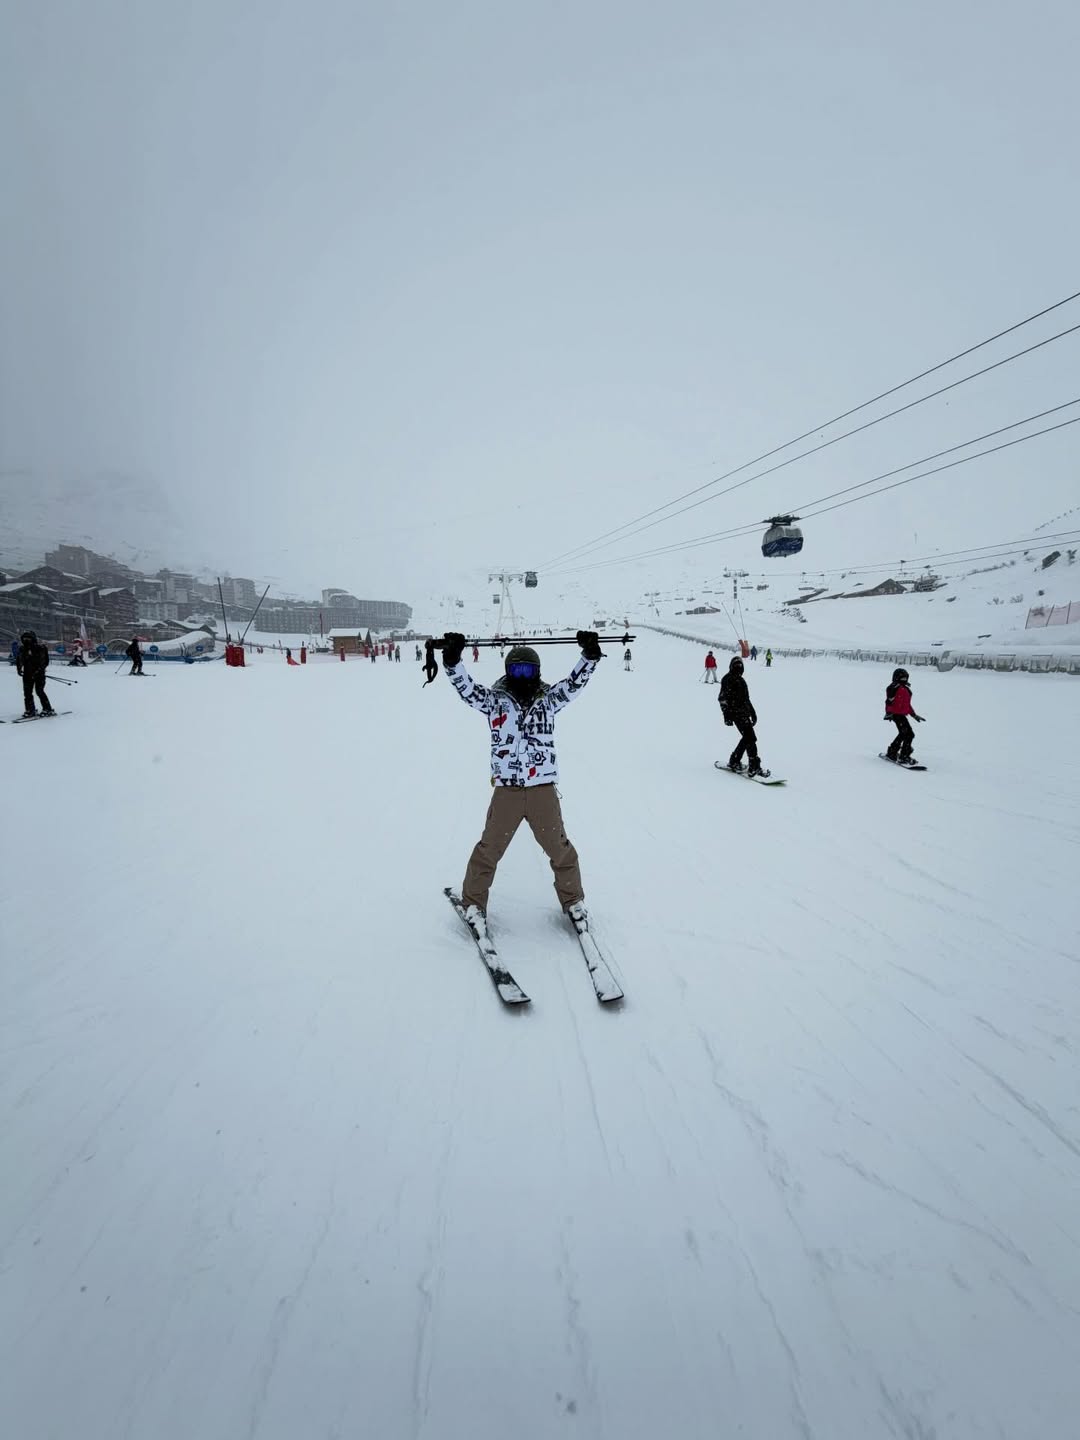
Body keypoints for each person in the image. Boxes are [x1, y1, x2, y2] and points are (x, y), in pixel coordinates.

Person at [441, 629, 602, 926]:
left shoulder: (549, 699)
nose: (523, 675)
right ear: (507, 671)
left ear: (538, 672)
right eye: (517, 669)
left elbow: (573, 684)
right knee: (489, 849)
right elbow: (467, 689)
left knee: (560, 849)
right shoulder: (495, 701)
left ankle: (573, 901)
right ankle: (474, 903)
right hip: (508, 791)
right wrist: (452, 662)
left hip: (542, 789)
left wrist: (589, 657)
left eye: (528, 669)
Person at [719, 656, 765, 776]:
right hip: (735, 714)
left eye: (740, 666)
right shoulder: (727, 679)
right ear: (731, 666)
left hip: (744, 714)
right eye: (736, 665)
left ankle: (734, 760)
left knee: (748, 738)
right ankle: (753, 766)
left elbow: (746, 700)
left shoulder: (742, 681)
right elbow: (722, 699)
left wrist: (753, 713)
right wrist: (726, 715)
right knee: (750, 738)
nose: (738, 668)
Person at [883, 668, 924, 765]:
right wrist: (889, 712)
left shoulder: (906, 689)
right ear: (897, 678)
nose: (904, 680)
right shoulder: (894, 687)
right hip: (895, 714)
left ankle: (893, 752)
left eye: (905, 678)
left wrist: (914, 715)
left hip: (901, 714)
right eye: (902, 678)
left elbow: (907, 705)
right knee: (907, 734)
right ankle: (903, 756)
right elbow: (889, 701)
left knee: (905, 734)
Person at [16, 630, 55, 717]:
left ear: (33, 639)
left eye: (28, 638)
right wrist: (19, 669)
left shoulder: (40, 648)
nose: (26, 640)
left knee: (39, 691)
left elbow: (45, 661)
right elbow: (19, 660)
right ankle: (30, 710)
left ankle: (47, 709)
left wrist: (39, 671)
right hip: (27, 674)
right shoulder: (22, 649)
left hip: (39, 674)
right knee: (27, 693)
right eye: (25, 638)